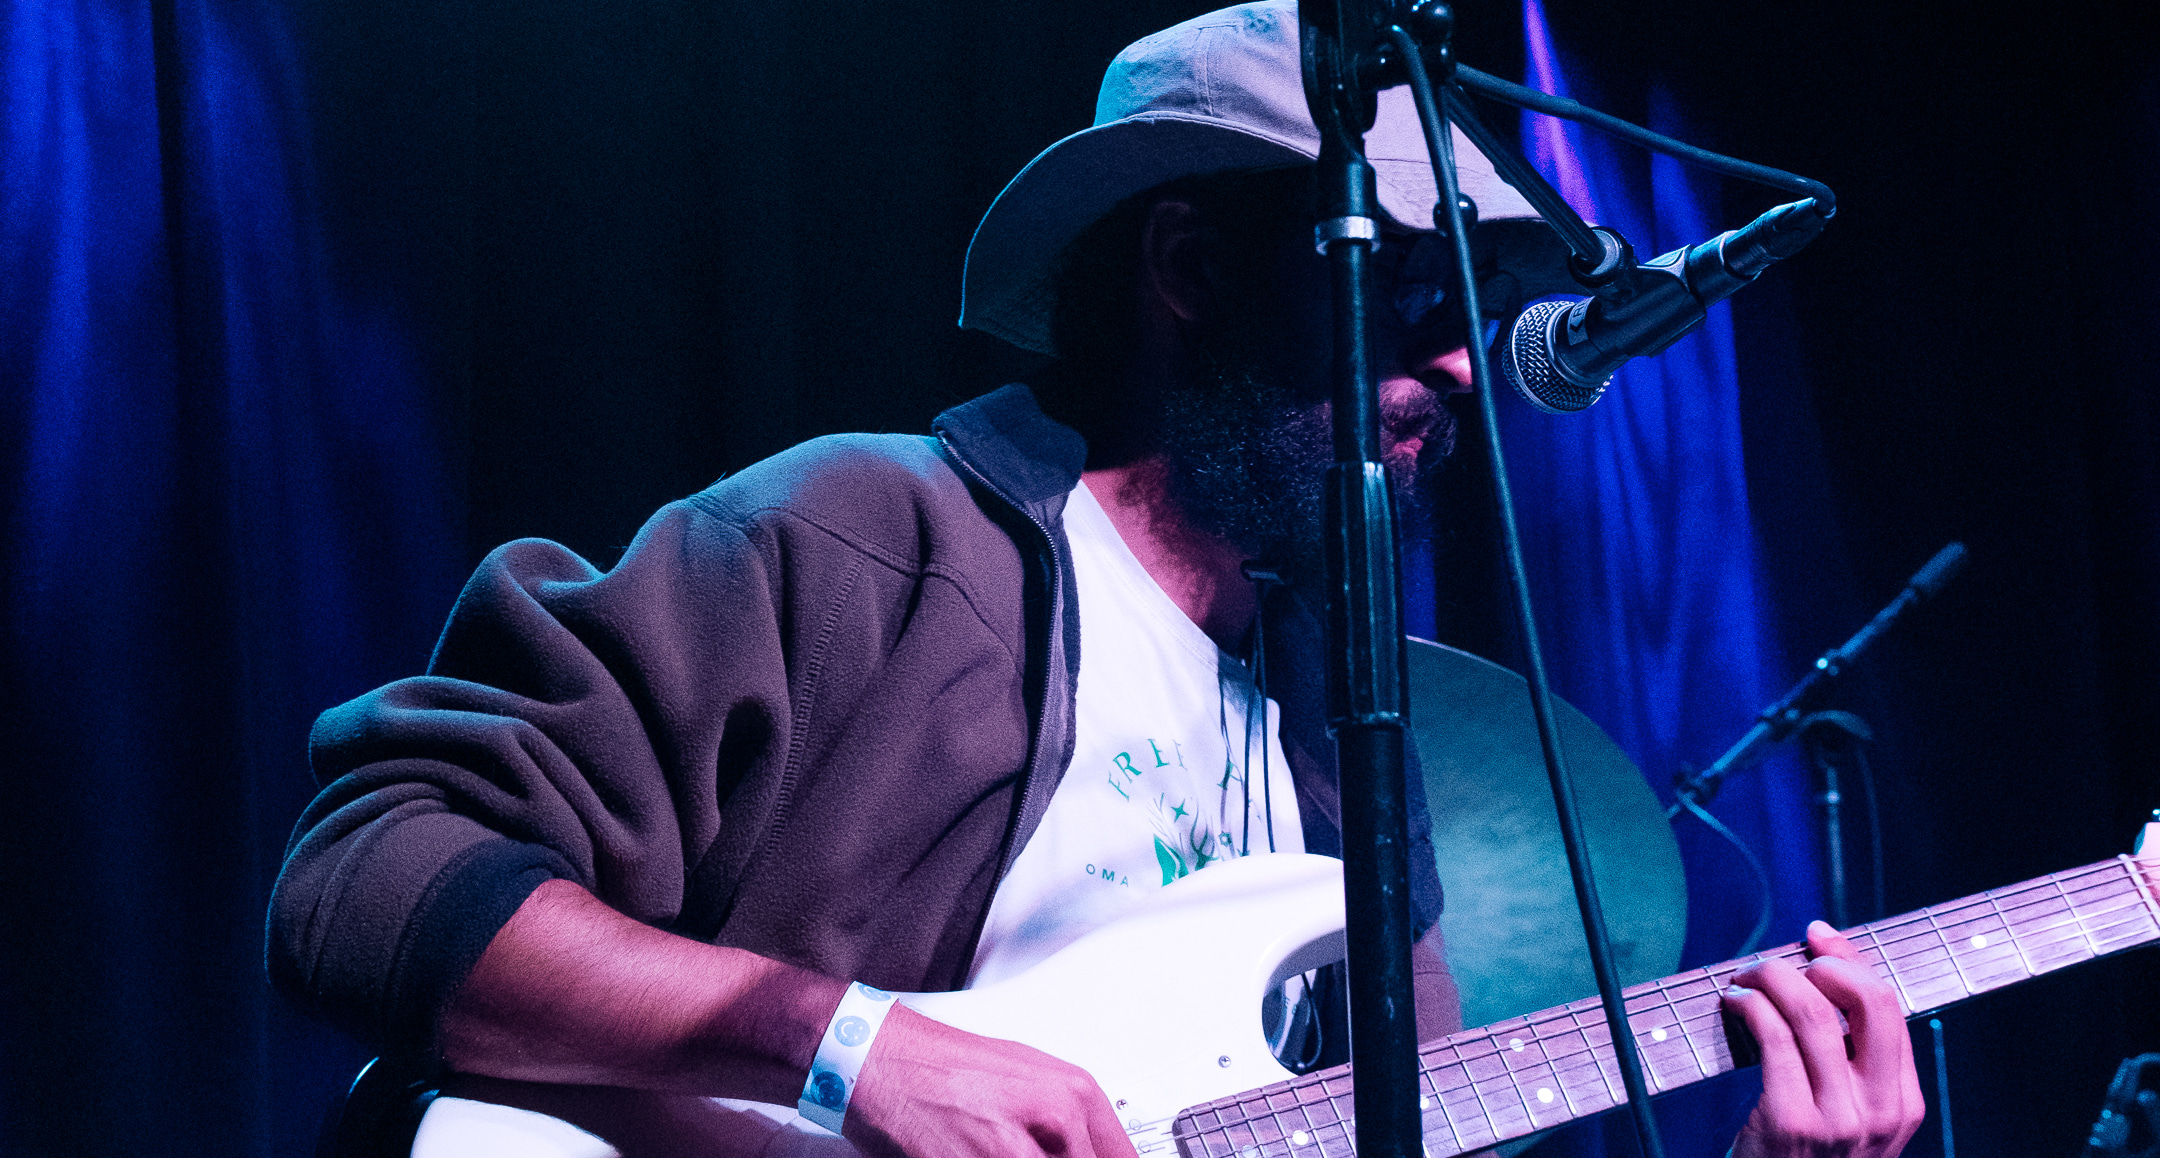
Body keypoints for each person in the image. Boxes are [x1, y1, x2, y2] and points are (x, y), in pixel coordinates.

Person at [269, 5, 1926, 1156]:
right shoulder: (869, 537)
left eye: (1472, 316)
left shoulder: (1349, 738)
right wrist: (850, 1045)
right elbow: (367, 874)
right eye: (1413, 294)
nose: (1459, 367)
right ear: (1189, 268)